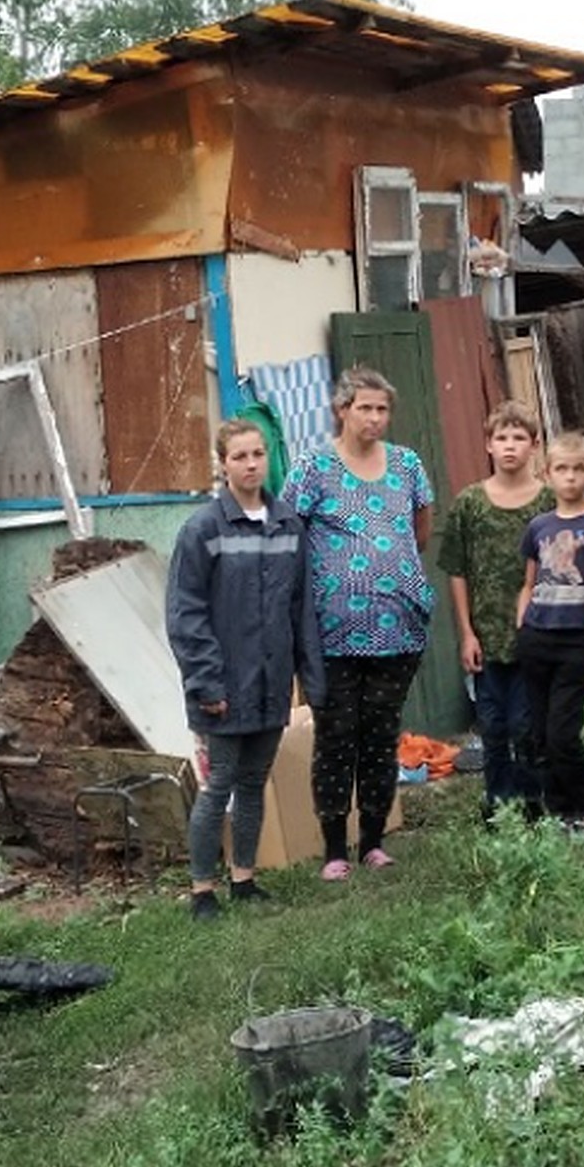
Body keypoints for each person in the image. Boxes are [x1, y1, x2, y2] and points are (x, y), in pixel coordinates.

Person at [166, 419, 326, 921]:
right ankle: (201, 890)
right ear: (223, 463)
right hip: (224, 685)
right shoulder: (203, 530)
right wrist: (206, 682)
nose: (252, 464)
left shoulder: (287, 525)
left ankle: (245, 879)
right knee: (220, 787)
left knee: (255, 782)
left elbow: (301, 610)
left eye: (258, 454)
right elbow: (185, 614)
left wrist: (311, 680)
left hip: (272, 683)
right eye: (240, 456)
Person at [282, 367, 435, 881]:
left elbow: (420, 530)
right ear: (342, 410)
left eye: (382, 409)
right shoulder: (313, 468)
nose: (374, 418)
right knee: (336, 737)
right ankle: (333, 849)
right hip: (333, 635)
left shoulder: (407, 464)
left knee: (380, 733)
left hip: (399, 631)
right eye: (365, 407)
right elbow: (289, 534)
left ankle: (372, 841)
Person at [439, 400, 553, 821]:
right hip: (486, 639)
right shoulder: (469, 503)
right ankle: (497, 804)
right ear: (488, 444)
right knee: (493, 724)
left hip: (535, 635)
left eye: (519, 437)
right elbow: (457, 570)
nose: (509, 446)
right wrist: (466, 633)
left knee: (527, 723)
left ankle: (532, 802)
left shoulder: (548, 501)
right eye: (501, 437)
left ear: (534, 445)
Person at [516, 432, 584, 831]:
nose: (570, 477)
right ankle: (561, 811)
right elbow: (528, 582)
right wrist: (522, 623)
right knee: (539, 735)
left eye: (578, 469)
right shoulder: (539, 525)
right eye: (562, 469)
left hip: (577, 641)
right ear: (547, 474)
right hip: (537, 638)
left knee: (563, 733)